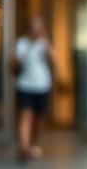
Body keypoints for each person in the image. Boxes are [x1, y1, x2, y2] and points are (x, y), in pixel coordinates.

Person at [13, 15, 55, 161]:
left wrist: (46, 45)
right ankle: (23, 148)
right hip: (25, 86)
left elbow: (53, 62)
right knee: (25, 116)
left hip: (42, 86)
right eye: (34, 27)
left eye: (39, 27)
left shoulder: (45, 43)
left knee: (39, 119)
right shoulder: (22, 44)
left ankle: (34, 144)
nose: (36, 31)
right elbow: (15, 64)